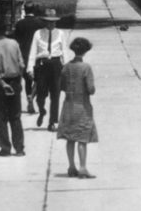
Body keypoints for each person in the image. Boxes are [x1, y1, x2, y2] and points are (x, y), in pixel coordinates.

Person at [0, 17, 26, 156]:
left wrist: (2, 83)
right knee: (15, 116)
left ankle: (5, 148)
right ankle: (19, 148)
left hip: (0, 84)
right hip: (15, 81)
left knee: (0, 117)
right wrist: (18, 81)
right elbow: (21, 65)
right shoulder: (14, 43)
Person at [58, 37, 97, 178]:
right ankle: (82, 167)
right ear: (86, 50)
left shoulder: (66, 67)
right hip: (82, 105)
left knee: (70, 138)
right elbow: (91, 89)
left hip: (68, 104)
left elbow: (61, 86)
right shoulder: (86, 67)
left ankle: (71, 166)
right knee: (82, 137)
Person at [27, 8, 68, 130]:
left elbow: (64, 51)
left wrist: (66, 67)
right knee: (40, 94)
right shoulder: (38, 33)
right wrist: (30, 68)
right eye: (49, 22)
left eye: (53, 22)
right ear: (45, 22)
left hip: (56, 65)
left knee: (55, 94)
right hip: (42, 65)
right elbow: (33, 51)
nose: (51, 24)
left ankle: (53, 122)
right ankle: (42, 111)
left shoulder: (60, 33)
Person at [11, 4, 45, 114]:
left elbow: (16, 40)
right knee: (39, 79)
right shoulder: (39, 23)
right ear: (34, 10)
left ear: (25, 11)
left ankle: (29, 96)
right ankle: (32, 96)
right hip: (36, 54)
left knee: (27, 80)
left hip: (23, 54)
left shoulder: (19, 24)